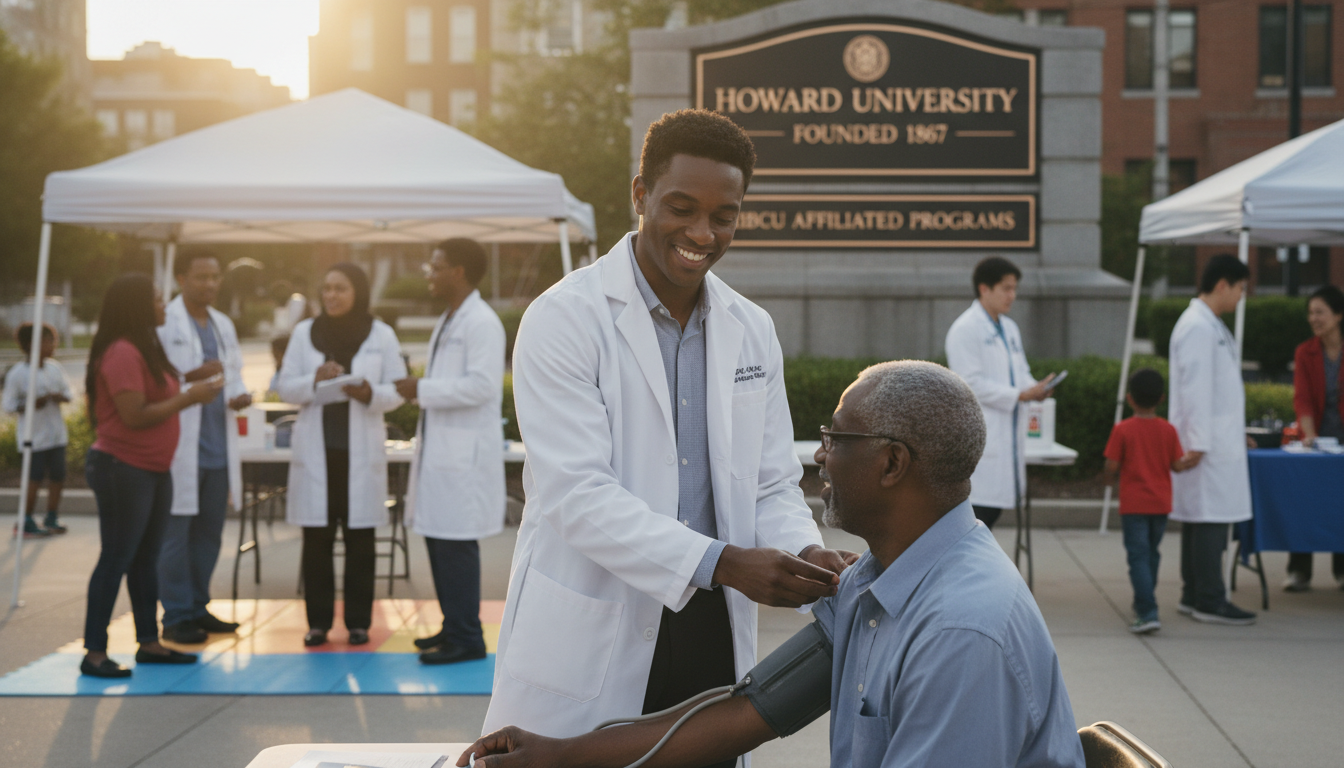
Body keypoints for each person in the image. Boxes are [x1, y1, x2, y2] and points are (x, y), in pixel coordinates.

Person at [460, 361, 1085, 768]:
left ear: (893, 464)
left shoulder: (960, 633)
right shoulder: (875, 581)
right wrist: (560, 755)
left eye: (837, 438)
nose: (819, 455)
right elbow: (743, 712)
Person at [483, 109, 851, 754]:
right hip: (595, 620)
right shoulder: (564, 319)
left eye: (724, 215)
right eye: (681, 207)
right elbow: (578, 496)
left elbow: (769, 482)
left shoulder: (750, 328)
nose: (702, 232)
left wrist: (803, 552)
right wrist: (725, 562)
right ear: (639, 195)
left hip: (712, 618)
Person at [81, 274, 223, 678]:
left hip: (153, 470)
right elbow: (135, 415)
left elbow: (160, 389)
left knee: (146, 559)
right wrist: (190, 398)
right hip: (122, 469)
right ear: (138, 306)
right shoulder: (122, 352)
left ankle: (149, 643)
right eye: (158, 299)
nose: (165, 305)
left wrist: (192, 378)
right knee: (116, 558)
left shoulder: (146, 346)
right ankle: (94, 651)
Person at [277, 263, 406, 647]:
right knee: (316, 541)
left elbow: (398, 390)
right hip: (318, 455)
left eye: (341, 288)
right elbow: (284, 388)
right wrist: (314, 379)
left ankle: (358, 623)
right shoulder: (304, 334)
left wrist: (370, 394)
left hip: (358, 456)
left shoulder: (380, 335)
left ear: (359, 292)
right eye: (327, 288)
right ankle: (317, 623)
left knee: (359, 542)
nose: (331, 295)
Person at [395, 239, 505, 666]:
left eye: (436, 266)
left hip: (463, 459)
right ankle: (452, 624)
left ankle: (468, 637)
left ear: (457, 271)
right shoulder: (450, 318)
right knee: (439, 542)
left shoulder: (481, 323)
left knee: (456, 547)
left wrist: (420, 389)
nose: (429, 273)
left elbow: (482, 386)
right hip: (442, 453)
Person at [156, 248, 253, 644]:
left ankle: (198, 606)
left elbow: (235, 375)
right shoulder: (166, 323)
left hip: (216, 446)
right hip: (181, 447)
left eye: (215, 277)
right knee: (176, 534)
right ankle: (176, 615)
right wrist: (192, 376)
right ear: (181, 279)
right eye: (201, 277)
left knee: (208, 534)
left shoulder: (223, 324)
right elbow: (158, 382)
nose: (210, 284)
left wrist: (240, 395)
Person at [1168, 254, 1256, 626]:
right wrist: (1200, 441)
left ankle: (1193, 593)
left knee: (1201, 518)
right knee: (1210, 519)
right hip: (1204, 444)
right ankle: (1210, 598)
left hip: (1215, 440)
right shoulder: (1198, 327)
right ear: (1222, 284)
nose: (1240, 297)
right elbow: (1195, 389)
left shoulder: (1208, 324)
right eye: (1239, 289)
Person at [945, 256, 1055, 529]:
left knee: (991, 516)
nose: (1012, 296)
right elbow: (969, 383)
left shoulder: (1009, 328)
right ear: (984, 289)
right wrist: (1019, 396)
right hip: (984, 436)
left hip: (1008, 437)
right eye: (1006, 288)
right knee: (977, 518)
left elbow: (1020, 373)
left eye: (1014, 288)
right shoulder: (965, 329)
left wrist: (1036, 389)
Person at [1104, 368, 1195, 634]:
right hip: (1161, 504)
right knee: (1151, 553)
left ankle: (1147, 610)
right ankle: (1144, 600)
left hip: (1134, 505)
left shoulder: (1122, 430)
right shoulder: (1168, 430)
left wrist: (1109, 479)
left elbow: (1111, 464)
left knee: (1138, 556)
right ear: (1162, 399)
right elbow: (1177, 466)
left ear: (1130, 399)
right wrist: (1191, 460)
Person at [1285, 284, 1344, 591]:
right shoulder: (1305, 352)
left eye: (1320, 312)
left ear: (1338, 314)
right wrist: (1310, 437)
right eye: (1310, 313)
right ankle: (1299, 570)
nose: (1314, 318)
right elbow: (1303, 399)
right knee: (1304, 502)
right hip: (1318, 439)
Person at [3, 323, 73, 537]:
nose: (53, 345)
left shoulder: (54, 368)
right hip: (33, 437)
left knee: (58, 476)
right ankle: (25, 519)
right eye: (47, 340)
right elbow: (8, 405)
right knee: (33, 478)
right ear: (31, 344)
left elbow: (69, 392)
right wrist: (31, 404)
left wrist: (59, 397)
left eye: (53, 340)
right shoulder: (18, 373)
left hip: (56, 435)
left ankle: (51, 516)